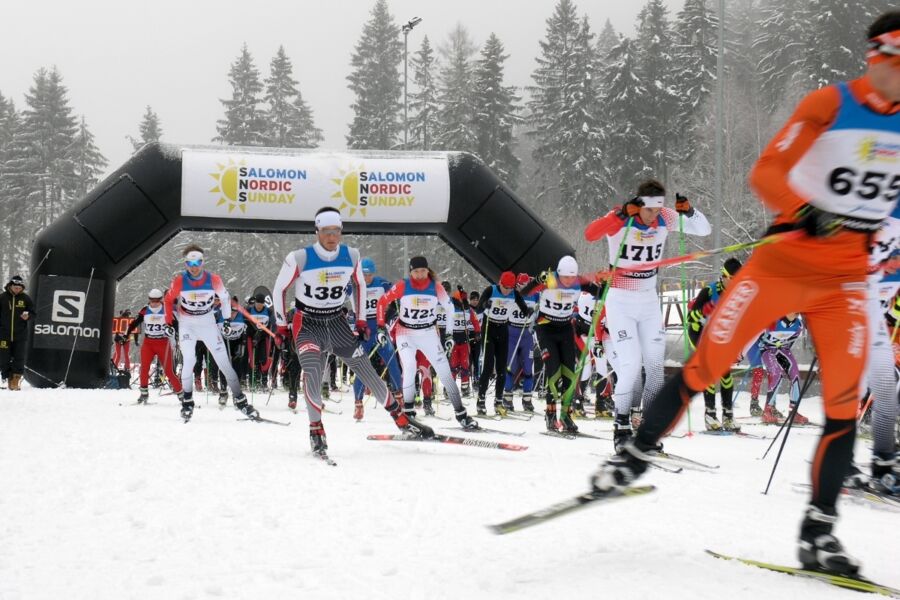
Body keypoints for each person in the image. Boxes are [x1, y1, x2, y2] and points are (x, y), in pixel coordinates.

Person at [592, 12, 900, 576]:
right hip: (781, 265)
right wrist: (812, 212)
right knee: (706, 366)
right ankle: (634, 453)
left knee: (839, 410)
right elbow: (767, 172)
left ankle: (819, 534)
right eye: (896, 61)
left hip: (848, 283)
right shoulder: (831, 105)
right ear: (875, 57)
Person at [272, 207, 432, 456]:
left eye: (336, 231)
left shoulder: (352, 255)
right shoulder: (299, 258)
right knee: (313, 371)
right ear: (317, 231)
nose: (332, 236)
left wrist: (359, 321)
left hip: (337, 323)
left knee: (367, 372)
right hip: (308, 325)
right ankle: (316, 429)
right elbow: (279, 289)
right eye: (326, 231)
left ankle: (400, 419)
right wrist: (282, 324)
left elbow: (359, 285)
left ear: (341, 231)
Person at [584, 179, 711, 450]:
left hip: (649, 301)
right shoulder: (622, 217)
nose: (654, 216)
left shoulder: (665, 217)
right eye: (650, 210)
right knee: (630, 365)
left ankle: (647, 430)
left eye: (658, 209)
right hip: (621, 302)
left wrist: (688, 212)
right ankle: (620, 428)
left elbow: (703, 229)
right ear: (639, 204)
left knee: (655, 368)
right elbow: (591, 234)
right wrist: (619, 215)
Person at [376, 256, 479, 430]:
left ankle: (461, 414)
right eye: (416, 271)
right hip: (405, 332)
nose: (420, 274)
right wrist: (380, 327)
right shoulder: (403, 285)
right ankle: (408, 412)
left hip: (428, 333)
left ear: (427, 270)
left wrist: (448, 335)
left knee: (444, 370)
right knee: (409, 366)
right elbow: (382, 302)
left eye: (423, 270)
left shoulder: (435, 287)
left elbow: (450, 308)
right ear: (411, 272)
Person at [164, 245, 256, 422]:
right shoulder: (179, 281)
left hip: (207, 322)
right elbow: (168, 301)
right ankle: (188, 402)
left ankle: (240, 400)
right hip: (187, 323)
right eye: (190, 263)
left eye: (198, 262)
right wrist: (169, 322)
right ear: (185, 264)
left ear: (202, 262)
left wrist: (227, 320)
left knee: (223, 361)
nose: (194, 266)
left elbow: (225, 298)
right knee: (190, 359)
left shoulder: (214, 279)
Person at [520, 256, 601, 433]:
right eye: (565, 278)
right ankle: (550, 415)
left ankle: (565, 415)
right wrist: (536, 280)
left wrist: (603, 283)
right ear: (558, 273)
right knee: (554, 373)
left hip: (565, 329)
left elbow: (602, 292)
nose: (568, 281)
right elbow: (525, 292)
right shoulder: (549, 279)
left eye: (571, 278)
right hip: (545, 328)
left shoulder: (579, 281)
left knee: (570, 376)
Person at [685, 258, 743, 431]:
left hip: (718, 335)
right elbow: (690, 320)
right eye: (732, 279)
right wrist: (704, 311)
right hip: (699, 332)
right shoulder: (709, 292)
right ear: (724, 276)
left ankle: (728, 415)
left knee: (725, 374)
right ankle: (710, 415)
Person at [352, 257, 404, 421]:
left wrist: (388, 321)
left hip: (380, 328)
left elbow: (396, 303)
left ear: (373, 273)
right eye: (362, 274)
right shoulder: (353, 286)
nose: (365, 278)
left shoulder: (382, 284)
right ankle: (358, 403)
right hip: (363, 330)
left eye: (368, 274)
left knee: (392, 363)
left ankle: (399, 396)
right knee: (361, 367)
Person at [475, 272, 529, 416]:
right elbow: (478, 308)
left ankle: (498, 401)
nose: (507, 291)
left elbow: (524, 309)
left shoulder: (514, 294)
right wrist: (485, 304)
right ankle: (480, 401)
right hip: (489, 328)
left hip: (503, 329)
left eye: (510, 288)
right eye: (505, 288)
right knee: (487, 367)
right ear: (500, 283)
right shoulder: (491, 290)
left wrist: (528, 312)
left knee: (502, 369)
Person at [125, 288, 183, 403]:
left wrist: (174, 332)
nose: (154, 303)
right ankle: (144, 394)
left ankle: (182, 395)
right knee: (144, 369)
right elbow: (134, 323)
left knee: (169, 372)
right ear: (149, 299)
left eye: (157, 300)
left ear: (161, 300)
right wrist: (126, 334)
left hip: (163, 343)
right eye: (152, 300)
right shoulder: (145, 310)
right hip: (148, 343)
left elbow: (176, 325)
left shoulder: (166, 310)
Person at [756, 314, 808, 425]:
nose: (795, 312)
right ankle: (767, 411)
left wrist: (781, 345)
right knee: (777, 375)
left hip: (782, 350)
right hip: (767, 350)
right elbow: (758, 337)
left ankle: (793, 412)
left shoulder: (798, 325)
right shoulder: (774, 321)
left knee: (795, 375)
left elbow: (790, 343)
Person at [503, 273, 540, 412]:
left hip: (526, 334)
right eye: (520, 286)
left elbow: (539, 312)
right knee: (510, 367)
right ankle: (507, 398)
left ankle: (527, 400)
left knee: (528, 367)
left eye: (526, 285)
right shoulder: (511, 294)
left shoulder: (535, 295)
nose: (523, 288)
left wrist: (536, 322)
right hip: (512, 331)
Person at [0, 275, 34, 390]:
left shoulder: (26, 298)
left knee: (19, 358)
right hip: (4, 334)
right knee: (4, 357)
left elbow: (33, 313)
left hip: (20, 335)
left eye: (19, 288)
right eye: (15, 287)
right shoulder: (2, 298)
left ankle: (15, 380)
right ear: (10, 286)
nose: (17, 289)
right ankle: (5, 378)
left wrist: (28, 316)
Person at [449, 288, 481, 400]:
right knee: (453, 366)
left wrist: (477, 332)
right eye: (460, 300)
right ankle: (449, 388)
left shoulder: (468, 310)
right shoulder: (450, 308)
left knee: (465, 365)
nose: (462, 302)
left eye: (463, 300)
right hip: (453, 340)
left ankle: (465, 388)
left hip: (464, 340)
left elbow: (475, 321)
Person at [245, 293, 275, 390]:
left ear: (264, 304)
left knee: (264, 358)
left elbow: (273, 323)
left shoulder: (268, 311)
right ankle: (253, 381)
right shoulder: (249, 310)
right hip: (251, 337)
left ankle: (264, 382)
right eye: (257, 303)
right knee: (253, 359)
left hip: (263, 338)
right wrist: (252, 334)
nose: (259, 306)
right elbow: (245, 322)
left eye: (261, 304)